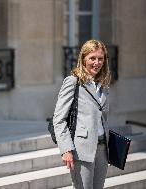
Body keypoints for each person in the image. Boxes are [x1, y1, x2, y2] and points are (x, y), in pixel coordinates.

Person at [53, 39, 111, 189]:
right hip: (82, 150)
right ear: (83, 59)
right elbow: (59, 119)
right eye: (92, 58)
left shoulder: (103, 86)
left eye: (100, 59)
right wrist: (66, 149)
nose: (97, 62)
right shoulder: (73, 82)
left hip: (103, 150)